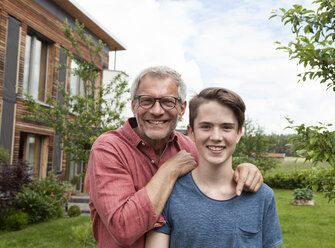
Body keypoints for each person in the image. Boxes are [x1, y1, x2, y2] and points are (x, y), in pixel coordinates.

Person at [85, 66, 264, 248]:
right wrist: (169, 170)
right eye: (146, 101)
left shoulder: (189, 147)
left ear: (182, 108)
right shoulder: (109, 149)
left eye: (168, 102)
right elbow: (123, 228)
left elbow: (217, 175)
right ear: (133, 106)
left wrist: (246, 169)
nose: (156, 111)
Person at [146, 87, 283, 248]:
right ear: (192, 132)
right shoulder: (169, 193)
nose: (216, 137)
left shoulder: (262, 197)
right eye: (206, 127)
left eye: (226, 127)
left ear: (238, 133)